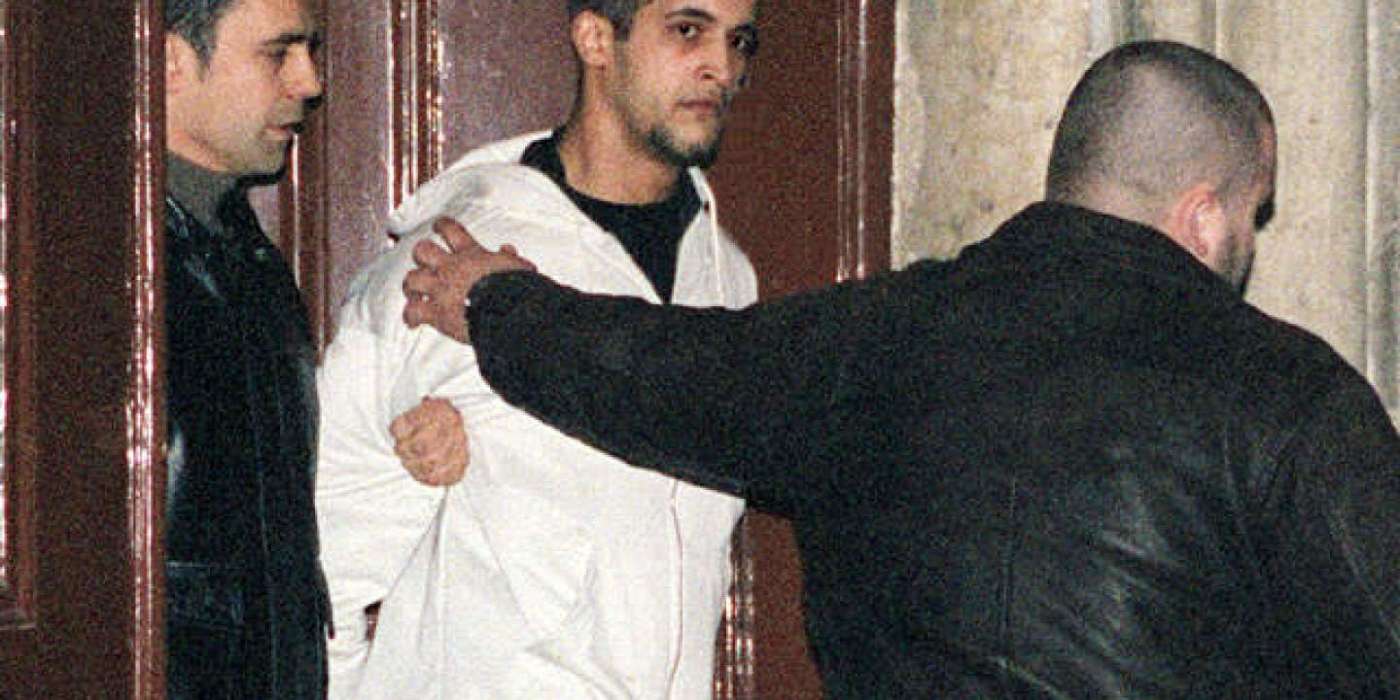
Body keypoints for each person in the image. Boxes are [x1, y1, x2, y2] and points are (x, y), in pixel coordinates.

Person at [399, 41, 1400, 697]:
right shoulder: (1291, 397)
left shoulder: (868, 340)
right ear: (1203, 214)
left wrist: (494, 301)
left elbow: (657, 372)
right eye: (1252, 211)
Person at [314, 0, 762, 697]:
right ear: (595, 38)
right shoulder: (450, 259)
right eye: (687, 30)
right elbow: (326, 563)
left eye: (739, 41)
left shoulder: (727, 277)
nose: (722, 68)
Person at [162, 0, 327, 696]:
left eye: (309, 52)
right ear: (171, 61)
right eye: (277, 53)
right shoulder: (83, 258)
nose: (309, 82)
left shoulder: (245, 252)